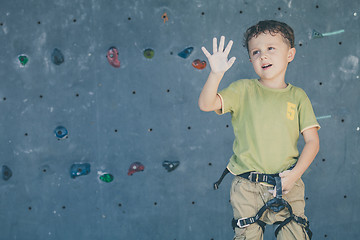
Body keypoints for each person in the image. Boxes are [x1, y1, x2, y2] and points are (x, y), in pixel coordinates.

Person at [198, 20, 320, 239]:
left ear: (290, 54)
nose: (263, 55)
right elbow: (206, 104)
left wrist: (294, 176)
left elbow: (312, 142)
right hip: (247, 187)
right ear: (251, 60)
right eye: (256, 52)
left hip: (288, 183)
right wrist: (216, 74)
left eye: (271, 48)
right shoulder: (242, 89)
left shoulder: (298, 96)